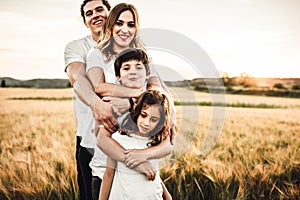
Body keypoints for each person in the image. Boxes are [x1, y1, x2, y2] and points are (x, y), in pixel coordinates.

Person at [85, 4, 174, 199]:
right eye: (119, 23)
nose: (125, 29)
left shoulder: (142, 57)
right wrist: (135, 95)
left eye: (131, 24)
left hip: (141, 176)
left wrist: (170, 114)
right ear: (110, 25)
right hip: (107, 168)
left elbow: (158, 88)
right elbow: (99, 87)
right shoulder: (97, 54)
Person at [63, 0, 112, 199]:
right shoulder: (77, 47)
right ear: (85, 22)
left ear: (111, 12)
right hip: (89, 140)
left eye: (100, 9)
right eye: (89, 13)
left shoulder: (130, 45)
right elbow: (77, 76)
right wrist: (97, 105)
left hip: (128, 139)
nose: (95, 15)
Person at [100, 90, 170, 200]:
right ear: (137, 110)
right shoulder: (120, 139)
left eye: (154, 119)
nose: (146, 123)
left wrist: (167, 196)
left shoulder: (156, 141)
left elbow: (154, 173)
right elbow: (109, 174)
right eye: (144, 115)